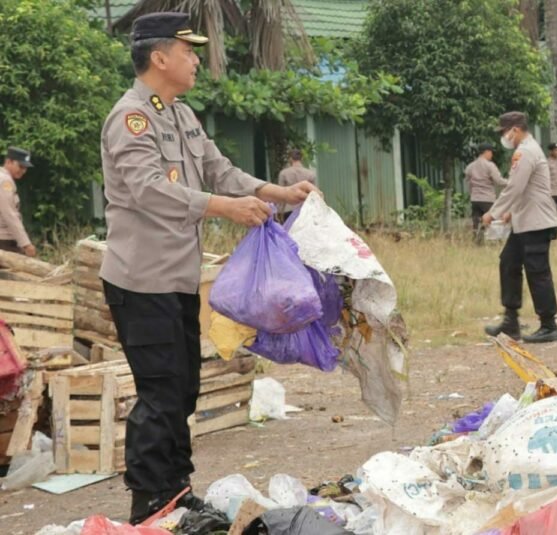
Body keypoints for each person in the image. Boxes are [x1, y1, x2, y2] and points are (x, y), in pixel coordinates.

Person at [100, 13, 318, 525]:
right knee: (160, 391)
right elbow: (149, 188)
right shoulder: (130, 118)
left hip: (175, 277)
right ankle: (150, 504)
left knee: (183, 388)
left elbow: (220, 169)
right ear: (160, 57)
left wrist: (276, 192)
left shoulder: (180, 114)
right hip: (140, 280)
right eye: (188, 50)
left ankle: (177, 492)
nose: (196, 58)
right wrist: (226, 208)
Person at [482, 111, 557, 343]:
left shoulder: (525, 151)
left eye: (505, 132)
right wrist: (509, 213)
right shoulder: (527, 150)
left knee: (538, 272)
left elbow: (514, 188)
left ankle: (549, 325)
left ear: (515, 130)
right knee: (508, 262)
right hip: (524, 221)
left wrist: (493, 213)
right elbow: (524, 189)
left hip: (536, 222)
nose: (504, 137)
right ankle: (511, 321)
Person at [464, 142, 506, 242]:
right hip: (487, 198)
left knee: (477, 222)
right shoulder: (490, 165)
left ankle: (478, 242)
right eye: (491, 152)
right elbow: (499, 181)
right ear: (486, 152)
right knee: (493, 220)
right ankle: (495, 241)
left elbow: (469, 182)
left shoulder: (470, 166)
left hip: (475, 199)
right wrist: (511, 183)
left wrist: (472, 194)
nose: (492, 154)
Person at [0, 147, 35, 257]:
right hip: (4, 241)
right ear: (8, 162)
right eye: (20, 166)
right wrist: (26, 243)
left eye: (25, 168)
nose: (23, 171)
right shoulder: (5, 181)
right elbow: (9, 214)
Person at [277, 148, 316, 221]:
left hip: (288, 209)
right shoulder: (310, 174)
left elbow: (280, 194)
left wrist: (279, 211)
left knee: (289, 231)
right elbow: (314, 194)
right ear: (302, 158)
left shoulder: (284, 173)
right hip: (305, 209)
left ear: (290, 159)